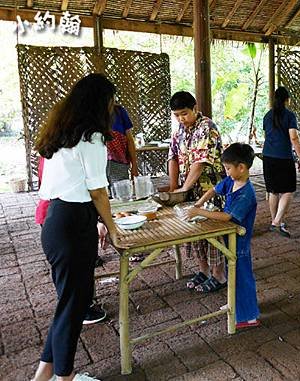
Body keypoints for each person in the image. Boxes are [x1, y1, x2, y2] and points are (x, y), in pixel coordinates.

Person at [32, 73, 117, 381]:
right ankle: (65, 377)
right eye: (110, 100)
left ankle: (44, 375)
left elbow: (75, 186)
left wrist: (95, 221)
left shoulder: (62, 133)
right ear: (100, 103)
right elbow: (97, 191)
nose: (113, 106)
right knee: (74, 305)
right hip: (73, 225)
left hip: (54, 222)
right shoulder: (92, 138)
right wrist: (113, 227)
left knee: (69, 302)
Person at [187, 143, 260, 329]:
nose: (226, 172)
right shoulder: (231, 180)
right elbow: (213, 190)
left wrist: (200, 212)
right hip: (228, 236)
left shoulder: (247, 194)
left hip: (240, 240)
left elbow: (228, 216)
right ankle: (236, 305)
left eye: (228, 168)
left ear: (241, 167)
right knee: (232, 273)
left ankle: (250, 316)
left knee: (243, 277)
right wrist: (199, 203)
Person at [35, 157, 108, 326]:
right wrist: (98, 221)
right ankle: (77, 310)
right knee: (72, 267)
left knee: (74, 266)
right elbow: (91, 190)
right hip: (62, 215)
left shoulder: (55, 146)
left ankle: (79, 306)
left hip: (55, 213)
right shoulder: (68, 150)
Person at [168, 91, 227, 293]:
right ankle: (204, 271)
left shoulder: (207, 127)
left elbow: (200, 163)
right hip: (190, 192)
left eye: (184, 113)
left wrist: (183, 189)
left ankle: (219, 275)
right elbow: (173, 158)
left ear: (195, 108)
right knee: (195, 233)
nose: (180, 118)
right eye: (176, 115)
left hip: (210, 190)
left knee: (212, 234)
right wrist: (173, 187)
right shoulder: (179, 131)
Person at [262, 87, 300, 238]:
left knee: (273, 190)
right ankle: (276, 222)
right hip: (283, 157)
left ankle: (276, 220)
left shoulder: (267, 115)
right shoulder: (289, 115)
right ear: (287, 100)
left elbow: (267, 134)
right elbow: (293, 137)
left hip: (267, 156)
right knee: (288, 190)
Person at [106, 104, 138, 192]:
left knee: (123, 196)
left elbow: (130, 140)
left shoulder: (119, 112)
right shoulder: (90, 113)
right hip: (97, 166)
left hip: (119, 164)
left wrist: (134, 166)